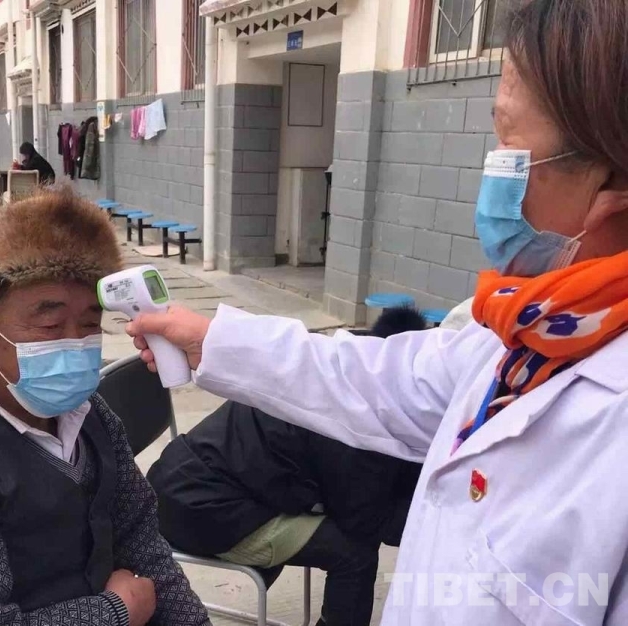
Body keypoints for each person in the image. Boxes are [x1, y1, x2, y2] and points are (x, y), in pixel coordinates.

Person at [127, 1, 628, 623]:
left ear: (607, 185)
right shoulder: (529, 334)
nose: (493, 168)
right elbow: (383, 378)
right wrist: (213, 341)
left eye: (508, 142)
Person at [0, 188, 210, 626]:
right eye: (50, 324)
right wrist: (114, 613)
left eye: (90, 323)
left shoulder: (91, 415)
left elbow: (142, 542)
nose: (75, 342)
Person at [148, 307, 427, 626]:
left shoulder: (343, 359)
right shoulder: (358, 417)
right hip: (204, 510)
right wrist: (438, 518)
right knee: (353, 551)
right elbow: (363, 516)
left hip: (190, 479)